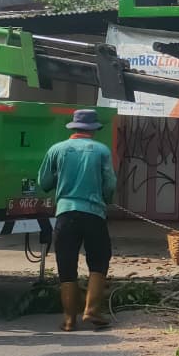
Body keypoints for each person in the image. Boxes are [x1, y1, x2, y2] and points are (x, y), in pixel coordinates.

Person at [38, 109, 117, 332]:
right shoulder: (101, 151)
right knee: (99, 260)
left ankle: (69, 320)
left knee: (66, 264)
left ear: (74, 127)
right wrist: (107, 199)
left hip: (65, 214)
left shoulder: (57, 149)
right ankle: (91, 309)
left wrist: (61, 178)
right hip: (94, 214)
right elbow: (110, 184)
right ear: (94, 129)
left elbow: (44, 181)